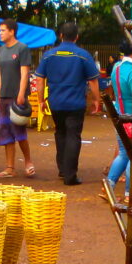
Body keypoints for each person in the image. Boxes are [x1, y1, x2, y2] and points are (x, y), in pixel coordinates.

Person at [33, 21, 100, 185]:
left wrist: (41, 100)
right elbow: (93, 81)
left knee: (60, 133)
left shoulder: (49, 55)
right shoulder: (83, 55)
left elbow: (39, 79)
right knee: (73, 136)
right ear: (77, 37)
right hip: (75, 103)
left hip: (55, 103)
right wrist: (96, 100)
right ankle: (70, 175)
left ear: (61, 36)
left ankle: (63, 170)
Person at [0, 18, 35, 178]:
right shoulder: (2, 50)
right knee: (5, 132)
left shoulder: (22, 48)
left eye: (3, 30)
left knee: (19, 131)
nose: (0, 33)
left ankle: (28, 161)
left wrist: (21, 94)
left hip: (17, 98)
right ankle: (10, 167)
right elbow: (1, 74)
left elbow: (25, 73)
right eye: (0, 30)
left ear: (12, 31)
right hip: (3, 97)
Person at [104, 40, 132, 199]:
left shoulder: (116, 67)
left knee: (123, 154)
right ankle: (130, 193)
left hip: (119, 115)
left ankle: (108, 188)